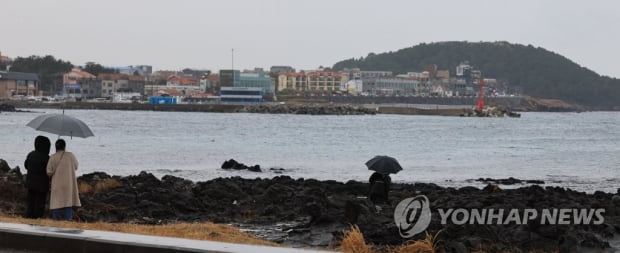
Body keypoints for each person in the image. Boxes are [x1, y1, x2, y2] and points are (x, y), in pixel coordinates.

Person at [46, 139, 81, 221]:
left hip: (57, 184)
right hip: (69, 183)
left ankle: (56, 220)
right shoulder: (70, 156)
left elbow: (49, 172)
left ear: (55, 147)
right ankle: (68, 219)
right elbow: (76, 166)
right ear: (64, 146)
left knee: (56, 202)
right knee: (68, 202)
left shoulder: (53, 157)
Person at [24, 136, 51, 219]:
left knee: (31, 201)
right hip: (42, 185)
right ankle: (37, 218)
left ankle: (29, 217)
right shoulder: (47, 158)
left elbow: (26, 165)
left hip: (30, 183)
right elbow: (49, 171)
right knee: (40, 203)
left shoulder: (31, 154)